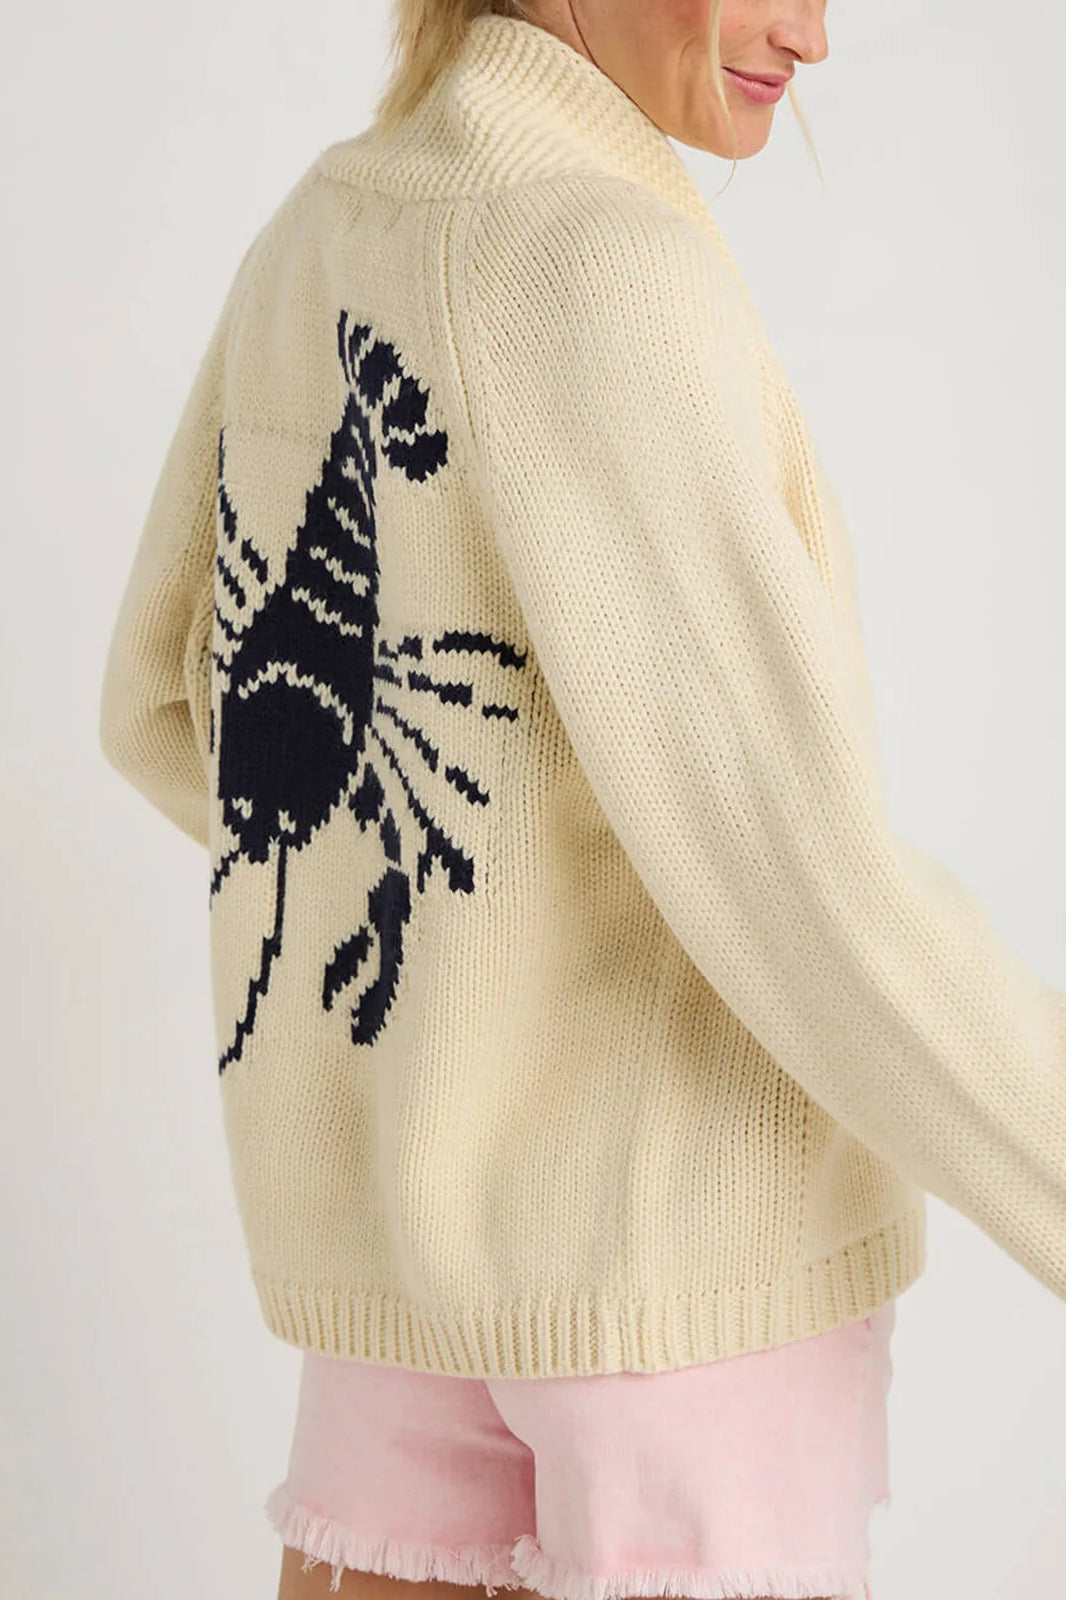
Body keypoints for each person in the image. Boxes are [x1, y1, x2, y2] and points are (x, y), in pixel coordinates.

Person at [96, 2, 1066, 1599]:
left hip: (399, 1261)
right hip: (674, 1280)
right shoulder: (591, 261)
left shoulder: (326, 224)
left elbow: (161, 703)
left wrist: (467, 965)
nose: (812, 34)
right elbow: (797, 882)